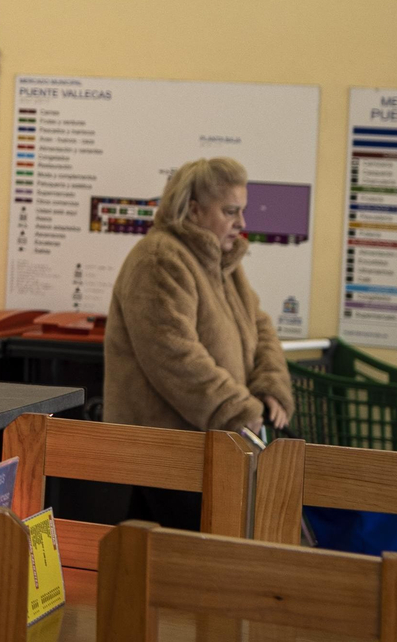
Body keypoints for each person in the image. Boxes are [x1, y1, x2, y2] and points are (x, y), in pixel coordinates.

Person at [104, 156, 293, 529]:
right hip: (165, 453)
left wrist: (270, 385)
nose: (242, 223)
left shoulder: (222, 262)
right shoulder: (159, 259)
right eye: (230, 211)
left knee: (164, 554)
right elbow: (174, 355)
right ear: (193, 210)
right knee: (173, 555)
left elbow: (261, 327)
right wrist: (237, 409)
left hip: (208, 446)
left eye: (242, 211)